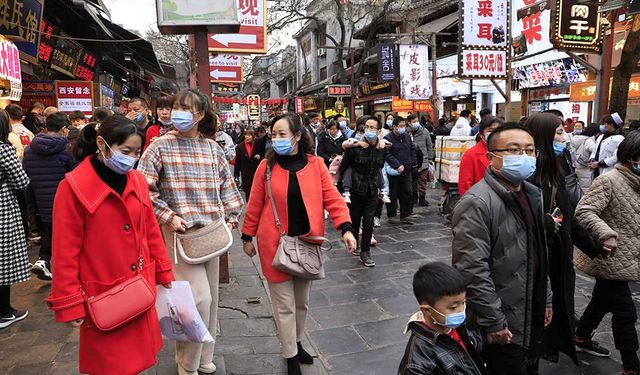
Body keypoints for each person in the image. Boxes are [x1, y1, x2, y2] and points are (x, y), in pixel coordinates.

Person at [46, 114, 173, 374]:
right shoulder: (72, 188)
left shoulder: (136, 179)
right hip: (102, 294)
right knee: (111, 364)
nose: (132, 158)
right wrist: (69, 302)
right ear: (103, 145)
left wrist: (163, 271)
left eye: (137, 152)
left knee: (140, 361)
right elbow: (64, 252)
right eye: (125, 151)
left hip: (139, 286)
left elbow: (150, 230)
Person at [241, 113, 357, 375]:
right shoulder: (266, 168)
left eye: (282, 134)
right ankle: (290, 355)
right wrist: (247, 237)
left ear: (296, 136)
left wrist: (346, 229)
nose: (277, 139)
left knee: (302, 303)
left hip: (307, 244)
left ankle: (297, 340)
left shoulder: (315, 165)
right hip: (274, 245)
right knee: (284, 305)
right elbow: (255, 204)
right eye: (274, 135)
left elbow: (333, 199)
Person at [137, 89, 243, 375]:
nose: (177, 112)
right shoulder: (158, 146)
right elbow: (143, 190)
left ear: (200, 115)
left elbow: (227, 186)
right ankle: (187, 364)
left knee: (212, 300)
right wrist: (168, 217)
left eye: (186, 108)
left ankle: (204, 356)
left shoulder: (212, 148)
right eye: (176, 106)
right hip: (178, 234)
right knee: (198, 300)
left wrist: (232, 217)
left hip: (211, 233)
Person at [452, 125, 552, 375]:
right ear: (491, 157)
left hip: (529, 309)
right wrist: (493, 320)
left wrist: (546, 298)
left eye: (529, 151)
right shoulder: (477, 202)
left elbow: (538, 253)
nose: (524, 157)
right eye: (513, 150)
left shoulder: (531, 194)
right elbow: (471, 268)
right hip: (502, 320)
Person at [573, 132, 640, 375]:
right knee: (625, 312)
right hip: (609, 256)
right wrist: (606, 233)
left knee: (602, 300)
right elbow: (583, 212)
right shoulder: (609, 181)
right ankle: (632, 365)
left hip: (629, 257)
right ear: (631, 157)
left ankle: (581, 335)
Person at [526, 113, 583, 367]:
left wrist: (594, 243)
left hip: (557, 253)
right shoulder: (527, 174)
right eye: (559, 132)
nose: (564, 137)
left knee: (552, 310)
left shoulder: (558, 166)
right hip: (536, 259)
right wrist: (546, 224)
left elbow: (569, 216)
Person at [398, 262, 487, 375]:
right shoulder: (418, 365)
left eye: (463, 303)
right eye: (453, 307)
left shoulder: (455, 325)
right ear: (427, 310)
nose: (461, 311)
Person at [23, 113, 78, 281]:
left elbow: (26, 178)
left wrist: (31, 205)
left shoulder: (30, 150)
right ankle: (58, 266)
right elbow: (77, 174)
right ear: (63, 129)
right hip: (65, 201)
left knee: (50, 230)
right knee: (65, 235)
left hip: (40, 201)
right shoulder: (67, 149)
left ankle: (43, 260)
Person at [340, 116, 385, 267]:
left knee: (369, 222)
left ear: (379, 131)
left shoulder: (381, 149)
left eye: (373, 128)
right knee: (354, 220)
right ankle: (355, 244)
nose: (369, 130)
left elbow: (380, 168)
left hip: (372, 191)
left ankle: (365, 252)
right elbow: (344, 167)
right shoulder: (354, 147)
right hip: (356, 190)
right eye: (367, 127)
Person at [0, 109, 31, 329]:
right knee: (4, 259)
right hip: (3, 207)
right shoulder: (4, 150)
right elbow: (21, 181)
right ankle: (3, 311)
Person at [458, 116, 503, 196]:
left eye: (498, 131)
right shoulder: (471, 155)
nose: (494, 134)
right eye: (491, 131)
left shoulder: (505, 152)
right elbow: (465, 186)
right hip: (480, 202)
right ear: (481, 134)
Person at [384, 116, 416, 224]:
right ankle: (392, 214)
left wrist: (412, 162)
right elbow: (387, 154)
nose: (403, 128)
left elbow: (412, 149)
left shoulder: (406, 136)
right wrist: (397, 165)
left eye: (404, 126)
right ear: (394, 127)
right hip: (394, 170)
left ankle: (405, 214)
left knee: (407, 192)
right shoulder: (388, 138)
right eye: (401, 126)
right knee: (393, 193)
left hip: (407, 169)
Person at [407, 114, 434, 207]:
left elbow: (429, 145)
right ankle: (414, 197)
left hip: (424, 161)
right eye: (414, 122)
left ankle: (422, 198)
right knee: (412, 181)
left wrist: (430, 158)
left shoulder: (424, 131)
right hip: (411, 161)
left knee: (422, 180)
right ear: (409, 123)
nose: (416, 123)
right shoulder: (406, 133)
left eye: (417, 121)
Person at [590, 113, 625, 179]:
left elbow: (615, 157)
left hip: (609, 171)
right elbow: (595, 150)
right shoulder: (601, 136)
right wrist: (592, 159)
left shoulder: (619, 138)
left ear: (611, 125)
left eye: (604, 124)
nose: (601, 126)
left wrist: (599, 164)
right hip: (596, 169)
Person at [234, 128, 262, 201]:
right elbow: (237, 161)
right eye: (246, 135)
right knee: (247, 191)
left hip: (256, 171)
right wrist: (236, 175)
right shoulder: (240, 147)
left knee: (257, 189)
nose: (247, 137)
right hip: (245, 172)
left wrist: (259, 156)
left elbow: (262, 154)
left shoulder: (258, 144)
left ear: (253, 136)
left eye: (249, 135)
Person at [571, 123, 599, 190]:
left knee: (580, 189)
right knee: (586, 190)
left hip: (578, 167)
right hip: (586, 169)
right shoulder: (588, 141)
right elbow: (596, 151)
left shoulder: (578, 139)